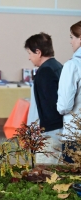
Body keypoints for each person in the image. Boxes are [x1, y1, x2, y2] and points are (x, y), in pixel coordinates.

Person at [25, 32, 63, 164]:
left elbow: (50, 104)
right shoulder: (57, 66)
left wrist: (39, 133)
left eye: (30, 53)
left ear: (38, 52)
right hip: (58, 128)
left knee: (45, 172)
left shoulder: (45, 71)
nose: (29, 58)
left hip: (50, 131)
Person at [57, 21, 81, 163]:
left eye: (72, 37)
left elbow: (64, 105)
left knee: (71, 181)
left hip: (75, 135)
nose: (70, 41)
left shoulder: (72, 66)